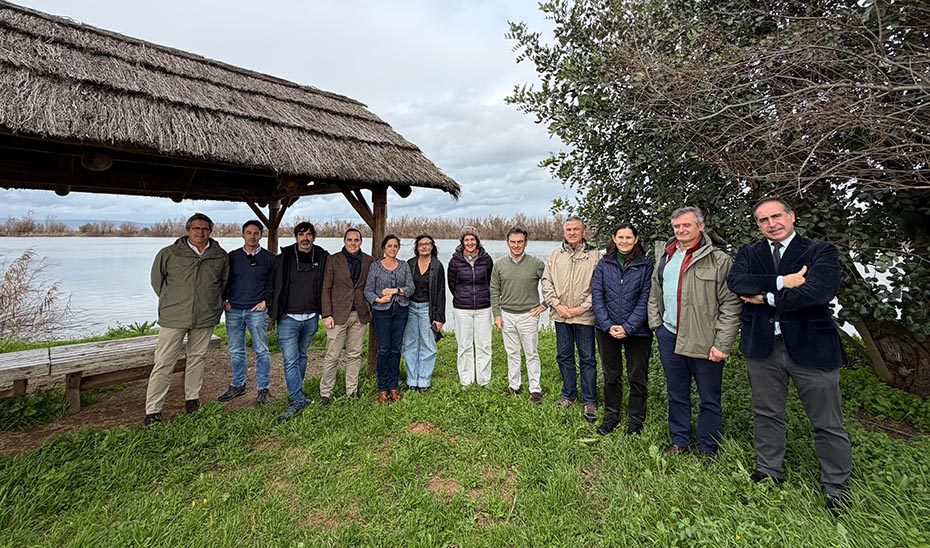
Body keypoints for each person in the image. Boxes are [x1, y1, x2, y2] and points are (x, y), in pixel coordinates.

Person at [727, 197, 852, 513]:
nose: (771, 224)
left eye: (776, 216)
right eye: (763, 220)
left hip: (812, 346)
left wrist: (766, 296)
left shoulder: (819, 251)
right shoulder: (749, 253)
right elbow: (737, 282)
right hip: (763, 347)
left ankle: (836, 487)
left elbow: (819, 291)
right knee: (766, 412)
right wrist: (784, 282)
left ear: (791, 216)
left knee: (827, 420)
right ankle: (769, 471)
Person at [647, 206, 741, 457]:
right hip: (669, 336)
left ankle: (708, 447)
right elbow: (655, 293)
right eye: (676, 226)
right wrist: (657, 326)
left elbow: (731, 304)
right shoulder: (666, 257)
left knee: (708, 397)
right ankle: (680, 440)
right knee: (676, 393)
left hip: (705, 339)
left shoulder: (719, 260)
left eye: (686, 225)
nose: (681, 230)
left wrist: (722, 343)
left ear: (701, 226)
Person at [144, 213, 228, 425]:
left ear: (210, 231)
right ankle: (153, 410)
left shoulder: (220, 256)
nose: (200, 232)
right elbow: (157, 282)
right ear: (188, 230)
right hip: (174, 316)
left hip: (205, 315)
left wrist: (211, 303)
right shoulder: (169, 253)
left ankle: (192, 400)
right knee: (164, 362)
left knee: (197, 358)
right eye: (196, 228)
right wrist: (173, 301)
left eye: (205, 229)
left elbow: (223, 284)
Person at [591, 223, 653, 435]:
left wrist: (628, 327)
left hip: (638, 331)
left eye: (628, 237)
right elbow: (597, 296)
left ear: (636, 239)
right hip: (606, 330)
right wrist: (608, 325)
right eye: (620, 237)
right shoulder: (603, 264)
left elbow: (646, 299)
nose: (624, 241)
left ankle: (635, 421)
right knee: (611, 375)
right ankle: (612, 417)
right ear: (614, 238)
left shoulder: (646, 266)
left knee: (637, 377)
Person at [267, 221, 329, 421]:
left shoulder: (322, 257)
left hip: (311, 317)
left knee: (302, 355)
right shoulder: (283, 258)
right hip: (288, 318)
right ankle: (296, 399)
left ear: (314, 237)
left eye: (309, 234)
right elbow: (271, 286)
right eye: (301, 234)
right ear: (296, 237)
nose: (305, 238)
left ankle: (297, 392)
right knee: (290, 359)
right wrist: (272, 311)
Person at [542, 216, 601, 422]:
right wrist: (557, 305)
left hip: (584, 317)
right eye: (569, 229)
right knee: (564, 356)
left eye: (576, 229)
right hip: (561, 316)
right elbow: (546, 282)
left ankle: (590, 400)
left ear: (583, 232)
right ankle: (568, 394)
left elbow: (599, 287)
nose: (572, 233)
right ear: (564, 232)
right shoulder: (555, 255)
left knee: (587, 359)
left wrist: (581, 308)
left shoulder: (594, 256)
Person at [218, 220, 275, 406]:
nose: (252, 236)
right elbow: (222, 280)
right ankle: (238, 385)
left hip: (257, 310)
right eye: (249, 232)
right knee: (236, 350)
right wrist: (224, 300)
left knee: (262, 350)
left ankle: (263, 388)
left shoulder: (270, 258)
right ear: (242, 234)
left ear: (261, 235)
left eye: (256, 233)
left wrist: (266, 302)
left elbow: (275, 283)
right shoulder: (232, 257)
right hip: (234, 309)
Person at [490, 226, 546, 403]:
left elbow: (550, 284)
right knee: (512, 352)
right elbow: (494, 290)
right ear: (507, 243)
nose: (516, 245)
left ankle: (535, 389)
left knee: (531, 353)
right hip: (507, 314)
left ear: (526, 243)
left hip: (529, 315)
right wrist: (497, 314)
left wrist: (545, 304)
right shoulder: (499, 265)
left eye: (520, 242)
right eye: (513, 242)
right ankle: (514, 386)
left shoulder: (537, 264)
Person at [319, 228, 374, 404]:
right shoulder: (333, 259)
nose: (353, 243)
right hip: (337, 315)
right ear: (344, 241)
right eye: (349, 240)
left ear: (361, 241)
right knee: (332, 356)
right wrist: (326, 314)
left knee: (354, 355)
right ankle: (325, 393)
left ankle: (352, 391)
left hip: (360, 314)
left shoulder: (369, 261)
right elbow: (326, 288)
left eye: (356, 240)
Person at [365, 234, 415, 403]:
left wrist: (396, 291)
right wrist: (378, 300)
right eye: (389, 246)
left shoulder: (404, 266)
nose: (392, 249)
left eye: (395, 246)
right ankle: (382, 388)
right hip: (382, 312)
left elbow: (411, 288)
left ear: (398, 248)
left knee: (396, 348)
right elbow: (368, 291)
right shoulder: (375, 267)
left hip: (401, 311)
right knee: (384, 349)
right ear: (384, 248)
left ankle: (393, 386)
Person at [447, 226, 494, 388]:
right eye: (466, 240)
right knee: (464, 345)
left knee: (484, 345)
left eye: (472, 239)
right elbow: (452, 284)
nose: (470, 242)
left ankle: (484, 380)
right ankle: (466, 381)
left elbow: (491, 282)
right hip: (462, 308)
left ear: (477, 241)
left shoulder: (486, 259)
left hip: (483, 308)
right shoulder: (455, 261)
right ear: (462, 242)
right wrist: (462, 296)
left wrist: (485, 296)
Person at [403, 233, 446, 392]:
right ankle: (411, 380)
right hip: (411, 308)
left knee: (428, 345)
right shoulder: (410, 264)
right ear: (417, 247)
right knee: (410, 344)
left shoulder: (437, 265)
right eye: (421, 244)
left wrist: (439, 318)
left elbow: (441, 292)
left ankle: (424, 381)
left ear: (432, 246)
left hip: (428, 309)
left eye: (428, 244)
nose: (424, 247)